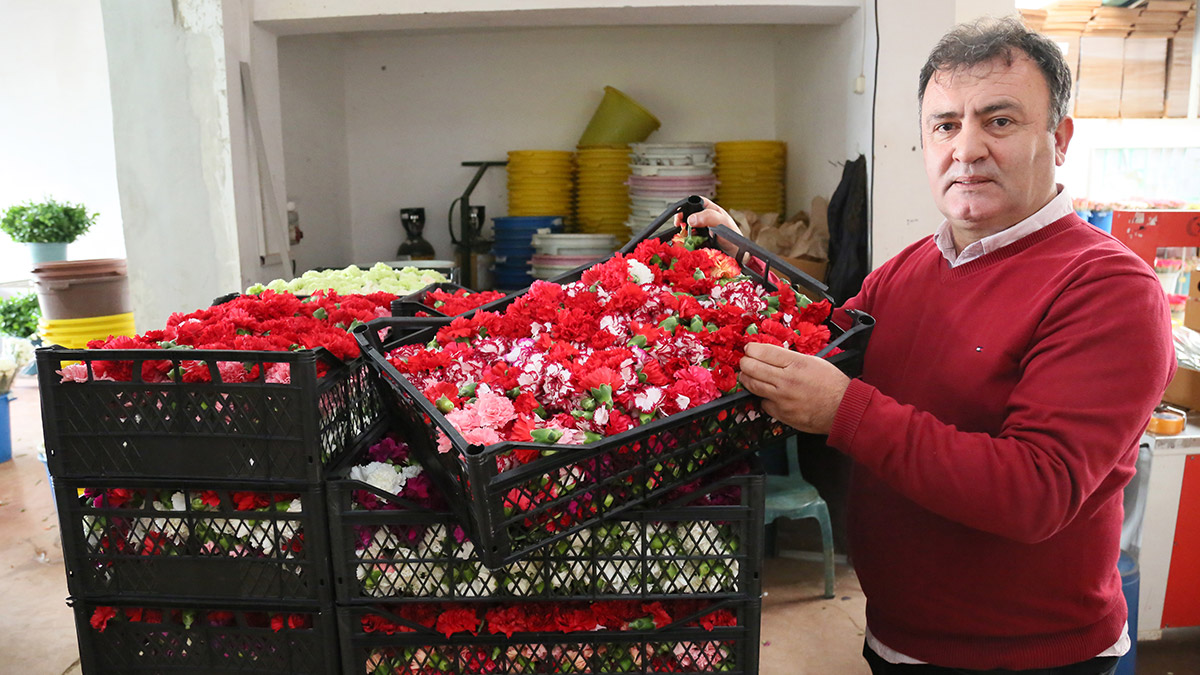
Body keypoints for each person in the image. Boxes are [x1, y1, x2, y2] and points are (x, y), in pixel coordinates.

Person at [685, 16, 1175, 675]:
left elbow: (1036, 490)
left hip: (1028, 657)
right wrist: (739, 262)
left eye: (998, 122)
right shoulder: (911, 268)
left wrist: (844, 410)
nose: (966, 148)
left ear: (1058, 138)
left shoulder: (1108, 288)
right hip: (898, 636)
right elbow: (821, 338)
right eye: (945, 124)